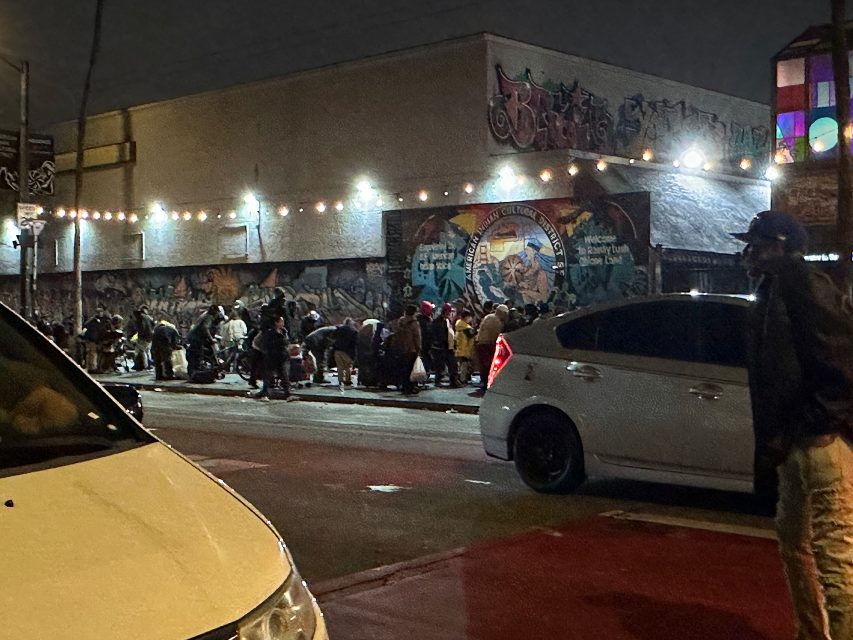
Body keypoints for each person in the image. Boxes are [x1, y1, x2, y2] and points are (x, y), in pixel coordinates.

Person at [732, 209, 853, 640]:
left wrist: (818, 423)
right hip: (798, 445)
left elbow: (840, 359)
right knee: (796, 544)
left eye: (755, 244)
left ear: (779, 247)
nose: (746, 254)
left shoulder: (801, 283)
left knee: (833, 556)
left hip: (819, 443)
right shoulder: (774, 290)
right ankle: (810, 632)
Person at [254, 315, 290, 400]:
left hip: (281, 357)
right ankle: (265, 392)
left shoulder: (284, 331)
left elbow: (286, 343)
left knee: (284, 375)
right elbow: (261, 344)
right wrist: (266, 352)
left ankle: (287, 393)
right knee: (268, 375)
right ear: (276, 323)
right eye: (281, 322)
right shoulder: (270, 332)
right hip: (271, 356)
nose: (282, 323)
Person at [475, 304, 508, 391]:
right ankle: (487, 384)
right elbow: (497, 336)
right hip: (489, 345)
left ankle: (483, 382)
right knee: (489, 365)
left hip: (480, 343)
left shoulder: (488, 317)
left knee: (483, 365)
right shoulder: (497, 322)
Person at [185, 305, 224, 378]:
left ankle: (193, 374)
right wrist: (211, 339)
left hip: (194, 338)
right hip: (197, 339)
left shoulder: (205, 315)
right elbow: (205, 328)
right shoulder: (209, 317)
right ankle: (195, 375)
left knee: (194, 356)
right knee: (197, 356)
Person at [430, 302, 461, 387]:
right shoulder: (437, 322)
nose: (450, 313)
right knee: (440, 366)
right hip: (440, 347)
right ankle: (438, 380)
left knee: (453, 365)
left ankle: (453, 381)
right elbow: (435, 335)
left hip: (448, 347)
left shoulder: (447, 321)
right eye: (448, 311)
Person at [395, 304, 422, 395]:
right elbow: (417, 337)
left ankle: (404, 386)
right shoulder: (414, 323)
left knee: (404, 369)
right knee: (411, 369)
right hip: (412, 349)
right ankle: (411, 387)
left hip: (401, 348)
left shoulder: (400, 321)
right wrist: (419, 348)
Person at [331, 317, 359, 387]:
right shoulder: (353, 331)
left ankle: (341, 380)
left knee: (340, 366)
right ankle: (347, 380)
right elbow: (355, 342)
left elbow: (333, 337)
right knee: (348, 366)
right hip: (347, 351)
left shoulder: (339, 329)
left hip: (337, 350)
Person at [82, 306, 110, 373]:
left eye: (101, 312)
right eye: (99, 312)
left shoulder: (101, 321)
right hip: (91, 339)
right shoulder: (93, 320)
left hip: (95, 339)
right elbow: (86, 326)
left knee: (92, 354)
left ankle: (92, 367)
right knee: (92, 354)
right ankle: (92, 368)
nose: (101, 313)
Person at [129, 305, 155, 371]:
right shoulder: (149, 317)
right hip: (150, 337)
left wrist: (140, 334)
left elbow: (142, 327)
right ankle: (149, 365)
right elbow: (153, 324)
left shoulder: (140, 318)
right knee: (147, 351)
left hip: (143, 337)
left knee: (142, 351)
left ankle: (145, 365)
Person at [454, 309, 476, 384]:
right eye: (469, 317)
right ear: (466, 317)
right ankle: (462, 379)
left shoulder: (459, 325)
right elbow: (473, 336)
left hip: (459, 349)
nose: (470, 318)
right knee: (464, 366)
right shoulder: (467, 328)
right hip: (465, 350)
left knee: (461, 365)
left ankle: (462, 378)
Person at [416, 300, 435, 382]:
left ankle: (423, 377)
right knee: (425, 360)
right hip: (424, 345)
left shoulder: (418, 319)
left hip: (423, 345)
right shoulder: (425, 321)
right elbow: (428, 333)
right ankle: (422, 377)